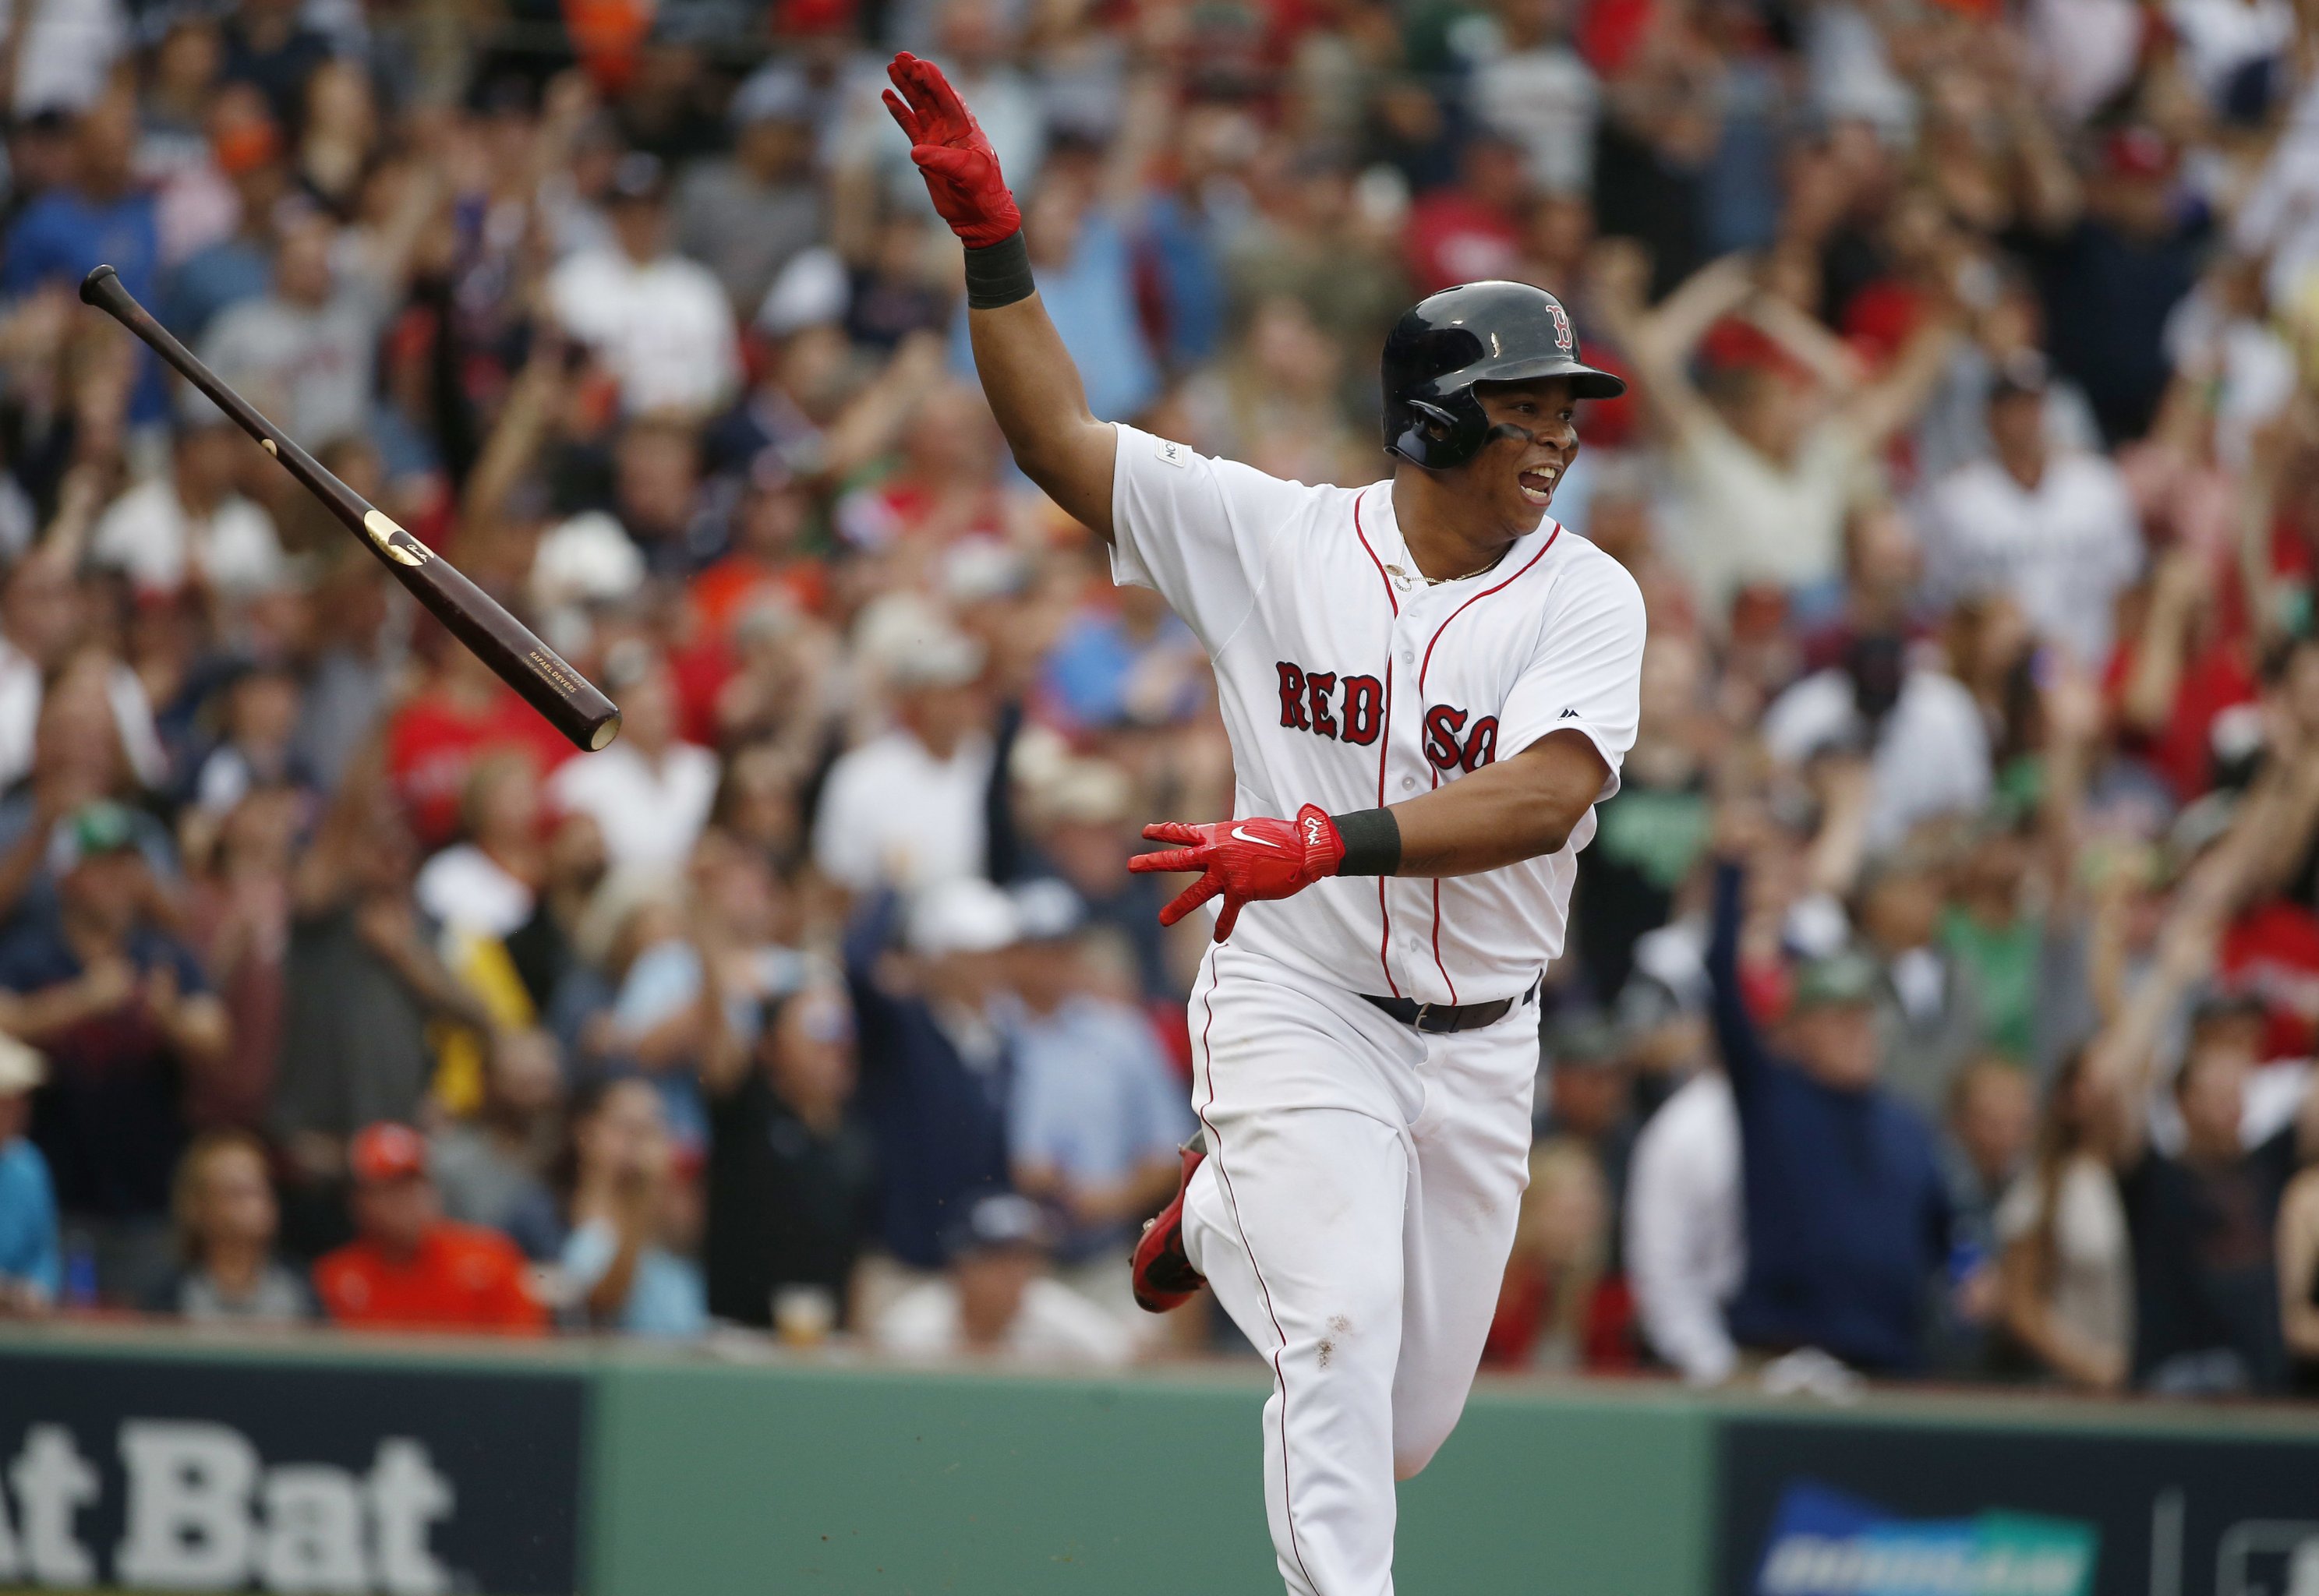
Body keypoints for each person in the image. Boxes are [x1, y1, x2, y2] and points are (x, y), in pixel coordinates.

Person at [881, 54, 1644, 1592]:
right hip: (1299, 993)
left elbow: (1547, 795)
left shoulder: (1584, 592)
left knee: (1406, 1424)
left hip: (1485, 1032)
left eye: (1565, 407)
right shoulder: (1278, 536)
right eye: (1524, 405)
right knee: (1339, 1343)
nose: (1556, 435)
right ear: (1435, 413)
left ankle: (1224, 1212)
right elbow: (1054, 442)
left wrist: (1321, 836)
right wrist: (990, 246)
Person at [1707, 834, 1956, 1375]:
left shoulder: (1905, 1125)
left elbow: (1948, 1234)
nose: (1856, 1032)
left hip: (1891, 1364)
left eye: (1863, 1017)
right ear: (1798, 1030)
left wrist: (1970, 1273)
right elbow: (1723, 986)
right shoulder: (1772, 1094)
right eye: (1837, 1018)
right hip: (1784, 1356)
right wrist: (1731, 873)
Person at [0, 800, 228, 1304]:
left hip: (147, 1203)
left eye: (127, 866)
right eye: (100, 866)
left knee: (142, 1360)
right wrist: (81, 1001)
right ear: (66, 878)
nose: (116, 880)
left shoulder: (161, 954)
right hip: (53, 1199)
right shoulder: (31, 954)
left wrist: (169, 1019)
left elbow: (215, 1035)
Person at [312, 1121, 546, 1336]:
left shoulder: (491, 1258)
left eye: (415, 1184)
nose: (407, 1200)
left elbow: (527, 1360)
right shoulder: (337, 1277)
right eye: (391, 1188)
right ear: (359, 1202)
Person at [872, 1192, 1136, 1367]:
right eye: (1000, 1259)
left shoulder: (1052, 1312)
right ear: (962, 1265)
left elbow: (1127, 1359)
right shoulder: (913, 1326)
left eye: (1025, 1259)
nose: (1015, 1274)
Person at [560, 1077, 706, 1339]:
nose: (640, 1143)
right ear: (587, 1132)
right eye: (627, 1127)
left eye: (652, 1128)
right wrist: (642, 1194)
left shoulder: (670, 1214)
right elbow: (599, 1305)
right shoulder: (548, 1212)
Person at [1624, 1063, 1743, 1384]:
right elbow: (1661, 1268)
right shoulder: (1687, 1127)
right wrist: (1711, 1363)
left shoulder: (1845, 1114)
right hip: (1726, 1349)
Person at [147, 1129, 315, 1323]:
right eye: (238, 1192)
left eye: (262, 1187)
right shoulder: (167, 1299)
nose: (258, 1203)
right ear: (199, 1208)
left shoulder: (301, 1289)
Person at [0, 1033, 59, 1315]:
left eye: (21, 1099)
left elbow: (43, 1254)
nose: (18, 1110)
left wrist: (37, 1288)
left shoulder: (30, 1166)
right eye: (6, 1101)